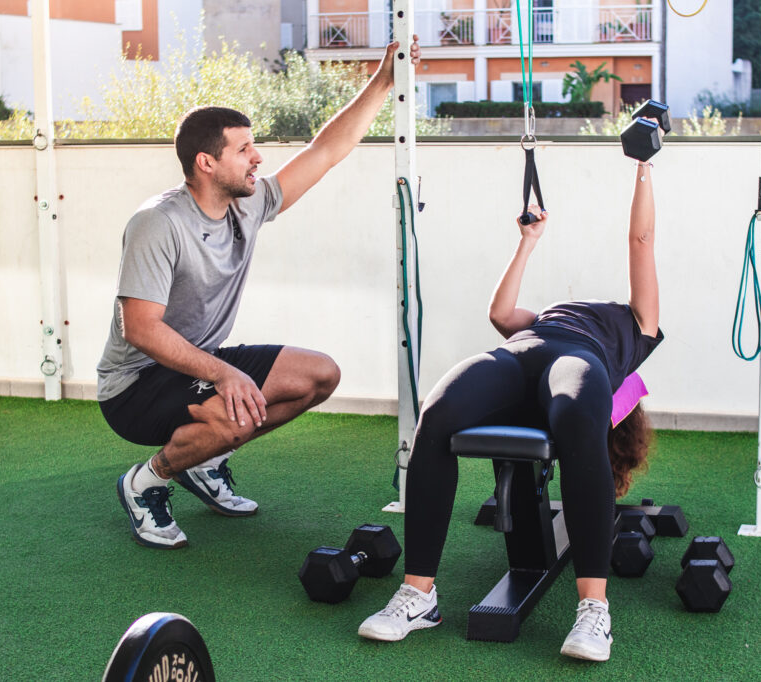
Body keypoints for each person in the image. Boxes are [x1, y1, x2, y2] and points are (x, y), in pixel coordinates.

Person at [97, 37, 421, 550]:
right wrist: (223, 373)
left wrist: (382, 81)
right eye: (244, 149)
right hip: (135, 386)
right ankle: (146, 481)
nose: (258, 158)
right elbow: (139, 328)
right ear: (206, 162)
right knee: (233, 413)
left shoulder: (249, 202)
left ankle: (203, 461)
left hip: (196, 364)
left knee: (319, 375)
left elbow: (325, 151)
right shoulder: (158, 223)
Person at [357, 160, 663, 662]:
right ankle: (419, 595)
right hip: (521, 350)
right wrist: (527, 242)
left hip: (578, 362)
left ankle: (593, 610)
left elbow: (641, 241)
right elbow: (500, 314)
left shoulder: (639, 325)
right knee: (436, 414)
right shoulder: (546, 315)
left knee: (579, 419)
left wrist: (644, 166)